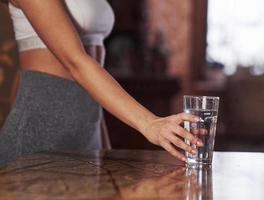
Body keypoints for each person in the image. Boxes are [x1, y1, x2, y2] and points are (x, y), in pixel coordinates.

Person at [0, 0, 203, 166]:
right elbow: (75, 61)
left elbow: (93, 76)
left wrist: (102, 142)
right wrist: (149, 123)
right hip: (41, 126)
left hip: (88, 124)